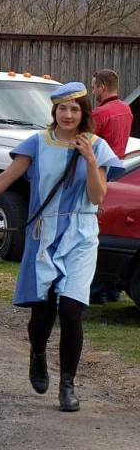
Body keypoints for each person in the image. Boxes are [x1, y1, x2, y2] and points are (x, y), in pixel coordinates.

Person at [0, 82, 124, 412]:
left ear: (84, 113)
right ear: (54, 111)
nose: (68, 114)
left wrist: (90, 160)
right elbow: (3, 181)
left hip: (80, 236)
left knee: (72, 311)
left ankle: (68, 386)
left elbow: (98, 196)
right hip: (43, 235)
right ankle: (37, 354)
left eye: (75, 109)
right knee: (42, 313)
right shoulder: (37, 143)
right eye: (63, 108)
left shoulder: (97, 146)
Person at [89, 69, 134, 303]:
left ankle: (96, 287)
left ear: (103, 87)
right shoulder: (126, 110)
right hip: (118, 169)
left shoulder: (101, 113)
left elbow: (85, 140)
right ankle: (111, 289)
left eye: (95, 86)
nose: (94, 91)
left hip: (99, 173)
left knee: (95, 231)